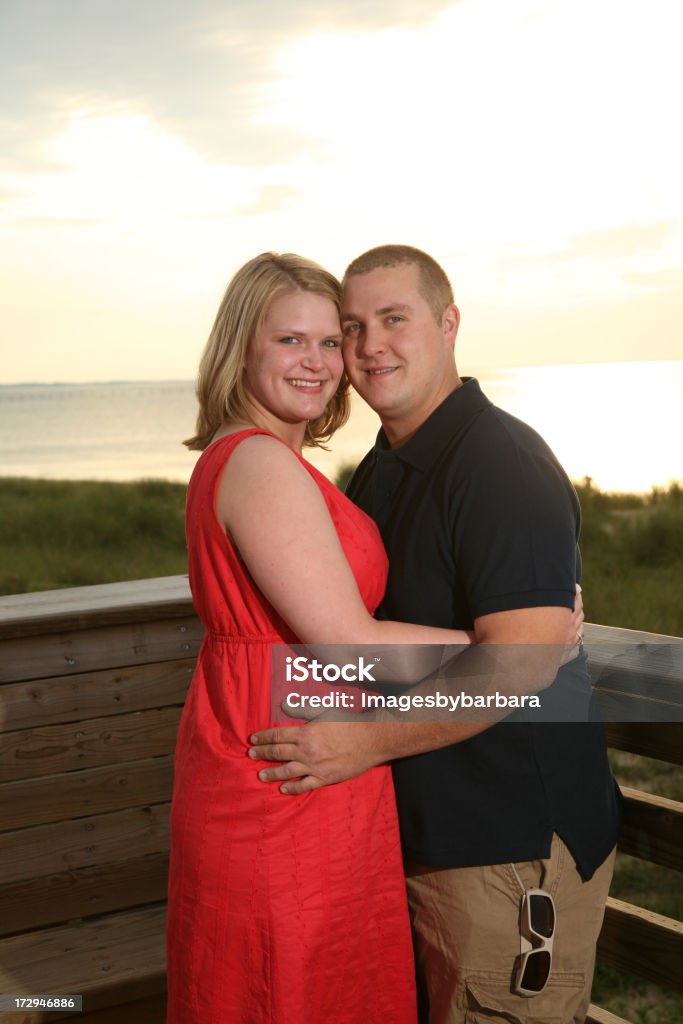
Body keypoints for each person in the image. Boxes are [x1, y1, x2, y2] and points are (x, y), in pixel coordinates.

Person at [167, 252, 580, 1024]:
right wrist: (523, 643)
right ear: (241, 349)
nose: (327, 360)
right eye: (296, 340)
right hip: (292, 766)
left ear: (447, 325)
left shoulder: (307, 462)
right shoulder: (263, 463)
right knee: (283, 987)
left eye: (333, 340)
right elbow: (344, 637)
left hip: (311, 755)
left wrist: (526, 639)